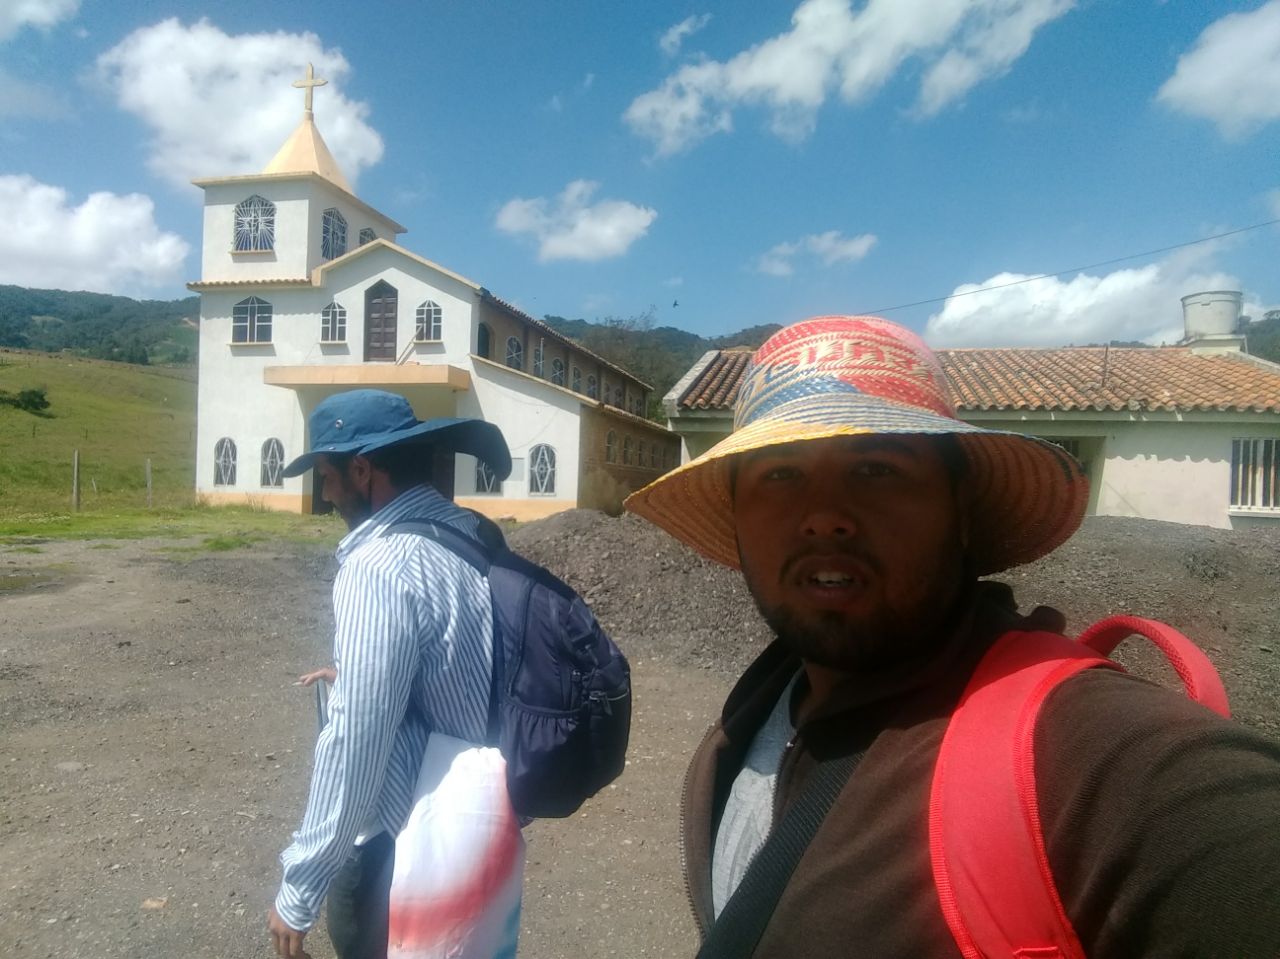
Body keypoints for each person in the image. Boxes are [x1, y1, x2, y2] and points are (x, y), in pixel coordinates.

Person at [624, 315, 1280, 957]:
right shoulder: (761, 705)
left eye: (876, 468)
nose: (823, 516)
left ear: (961, 511)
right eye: (779, 473)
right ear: (738, 517)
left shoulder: (1099, 755)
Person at [267, 389, 514, 959]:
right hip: (483, 819)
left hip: (399, 842)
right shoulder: (473, 532)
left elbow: (357, 739)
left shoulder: (379, 566)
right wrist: (363, 676)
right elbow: (466, 652)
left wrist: (300, 887)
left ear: (361, 470)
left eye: (327, 477)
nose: (325, 496)